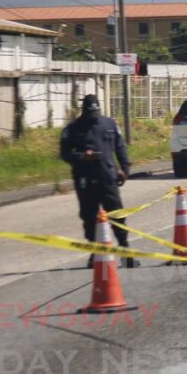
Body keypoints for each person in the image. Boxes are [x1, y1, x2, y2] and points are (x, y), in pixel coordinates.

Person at [60, 95, 136, 267]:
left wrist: (125, 169)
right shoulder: (72, 129)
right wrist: (81, 156)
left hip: (107, 177)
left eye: (95, 112)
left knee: (117, 214)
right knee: (89, 218)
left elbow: (120, 147)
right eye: (90, 113)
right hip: (85, 180)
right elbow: (64, 154)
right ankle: (95, 254)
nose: (93, 116)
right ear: (84, 111)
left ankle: (125, 251)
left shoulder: (109, 125)